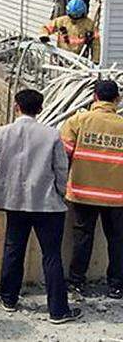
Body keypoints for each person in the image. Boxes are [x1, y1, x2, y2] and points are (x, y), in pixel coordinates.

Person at [0, 89, 81, 323]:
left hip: (15, 201)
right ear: (40, 109)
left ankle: (8, 298)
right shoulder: (51, 135)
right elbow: (61, 169)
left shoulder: (0, 133)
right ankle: (58, 311)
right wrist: (61, 193)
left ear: (16, 106)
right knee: (51, 256)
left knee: (13, 248)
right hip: (47, 204)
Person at [60, 79, 123, 299]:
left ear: (95, 97)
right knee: (117, 240)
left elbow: (62, 157)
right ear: (117, 99)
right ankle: (116, 285)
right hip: (117, 197)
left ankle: (76, 282)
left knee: (82, 238)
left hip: (82, 192)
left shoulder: (78, 121)